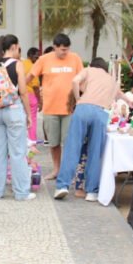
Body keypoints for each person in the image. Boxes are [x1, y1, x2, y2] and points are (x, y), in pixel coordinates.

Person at [53, 58, 125, 202]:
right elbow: (120, 95)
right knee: (95, 151)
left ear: (92, 65)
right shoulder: (111, 79)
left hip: (83, 108)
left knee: (72, 147)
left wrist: (78, 98)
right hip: (101, 113)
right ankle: (92, 191)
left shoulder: (88, 70)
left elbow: (75, 81)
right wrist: (130, 102)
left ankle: (63, 185)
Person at [26, 33, 84, 180]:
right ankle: (57, 169)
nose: (65, 53)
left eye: (67, 49)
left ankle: (68, 172)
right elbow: (30, 76)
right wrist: (17, 89)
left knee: (69, 143)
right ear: (55, 47)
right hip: (50, 108)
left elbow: (83, 79)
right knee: (53, 142)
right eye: (62, 49)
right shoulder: (44, 59)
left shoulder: (75, 58)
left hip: (69, 109)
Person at [0, 34, 35, 201]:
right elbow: (23, 91)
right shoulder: (18, 64)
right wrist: (29, 114)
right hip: (13, 110)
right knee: (17, 152)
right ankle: (21, 192)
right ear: (14, 46)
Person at [22, 47, 41, 142]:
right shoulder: (33, 67)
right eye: (36, 57)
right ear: (30, 55)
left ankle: (23, 140)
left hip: (21, 96)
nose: (38, 59)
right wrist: (40, 101)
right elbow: (36, 87)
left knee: (23, 119)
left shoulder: (21, 64)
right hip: (31, 96)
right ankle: (32, 141)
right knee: (32, 120)